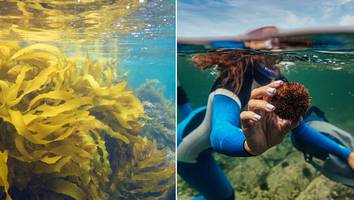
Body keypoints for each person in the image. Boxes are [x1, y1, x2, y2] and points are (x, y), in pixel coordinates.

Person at [177, 50, 354, 200]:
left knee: (194, 113)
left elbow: (300, 128)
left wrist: (347, 154)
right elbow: (219, 132)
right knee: (225, 197)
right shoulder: (232, 79)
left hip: (200, 116)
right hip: (189, 149)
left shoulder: (277, 79)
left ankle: (179, 93)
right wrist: (248, 146)